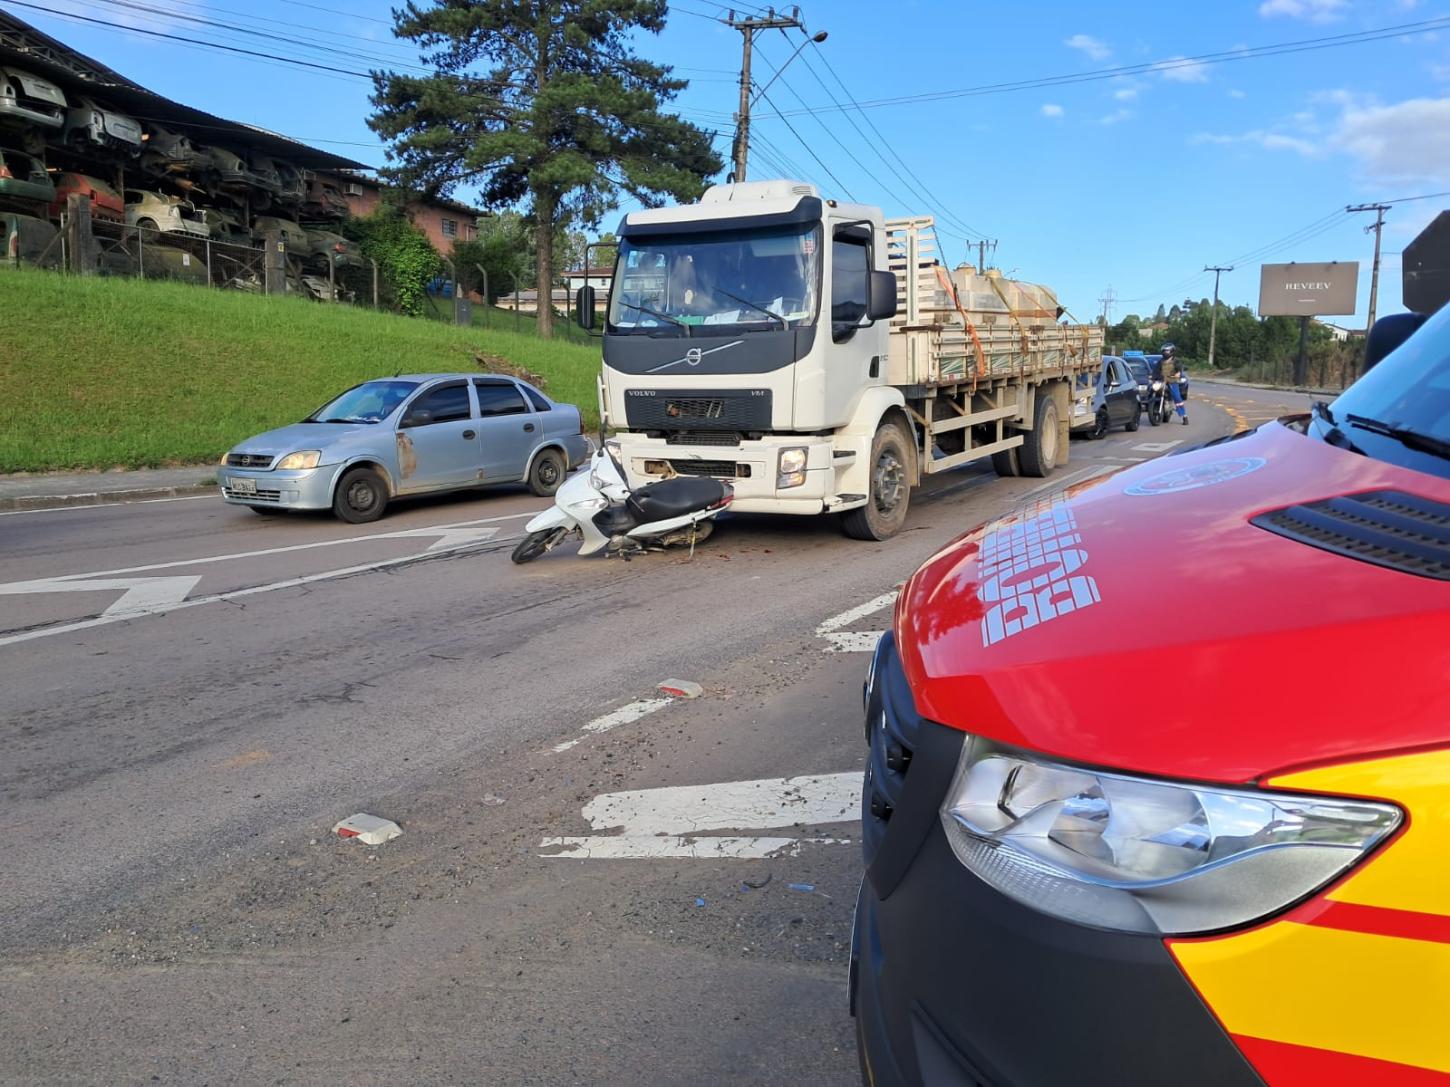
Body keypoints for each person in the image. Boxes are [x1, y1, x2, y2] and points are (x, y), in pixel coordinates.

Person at [1155, 342, 1188, 425]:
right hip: (1163, 381)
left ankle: (1184, 416)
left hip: (1172, 381)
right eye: (1164, 351)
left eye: (1167, 351)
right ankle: (1156, 407)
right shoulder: (1160, 361)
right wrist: (1153, 378)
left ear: (1172, 351)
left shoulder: (1176, 361)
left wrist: (1177, 374)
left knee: (1177, 397)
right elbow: (1155, 371)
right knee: (1154, 390)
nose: (1165, 353)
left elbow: (1179, 370)